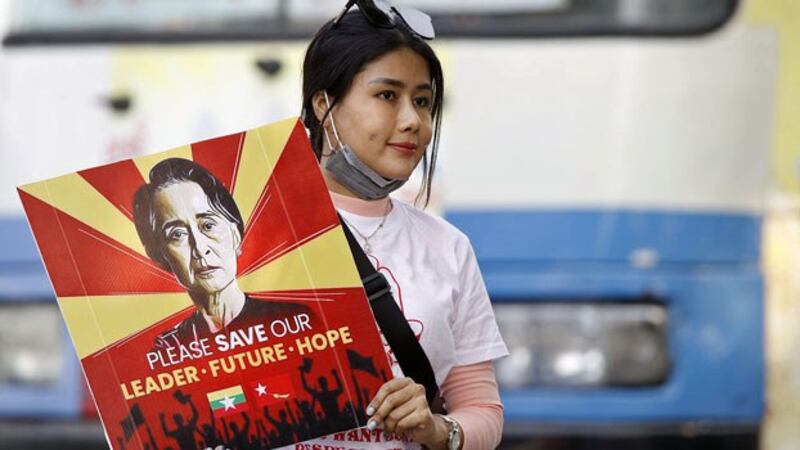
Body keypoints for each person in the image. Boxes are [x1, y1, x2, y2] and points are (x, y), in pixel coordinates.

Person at [295, 1, 510, 449]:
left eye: (423, 101)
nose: (413, 121)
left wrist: (437, 429)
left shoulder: (447, 246)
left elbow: (482, 412)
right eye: (387, 95)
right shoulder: (235, 234)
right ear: (323, 105)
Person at [132, 158, 311, 347]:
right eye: (177, 234)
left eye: (208, 225)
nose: (200, 249)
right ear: (160, 256)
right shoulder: (170, 348)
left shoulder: (292, 320)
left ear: (235, 236)